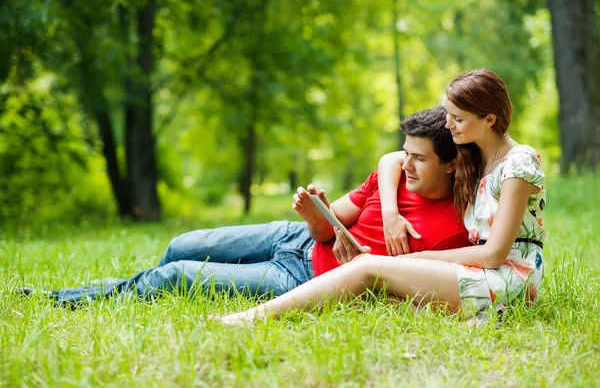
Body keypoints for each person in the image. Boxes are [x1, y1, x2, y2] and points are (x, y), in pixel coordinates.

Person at [19, 106, 470, 305]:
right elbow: (329, 230)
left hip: (300, 277)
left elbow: (407, 289)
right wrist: (316, 212)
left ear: (450, 166)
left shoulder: (452, 228)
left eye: (419, 158)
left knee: (173, 276)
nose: (406, 163)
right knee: (179, 246)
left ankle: (77, 298)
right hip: (294, 239)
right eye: (405, 153)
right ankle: (133, 289)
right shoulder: (392, 177)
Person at [214, 69, 545, 325]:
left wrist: (413, 259)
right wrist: (390, 211)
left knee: (372, 267)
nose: (449, 125)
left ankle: (249, 319)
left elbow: (493, 253)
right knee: (384, 281)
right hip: (483, 273)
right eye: (449, 114)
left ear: (489, 120)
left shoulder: (518, 161)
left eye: (458, 119)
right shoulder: (476, 159)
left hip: (507, 278)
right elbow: (395, 158)